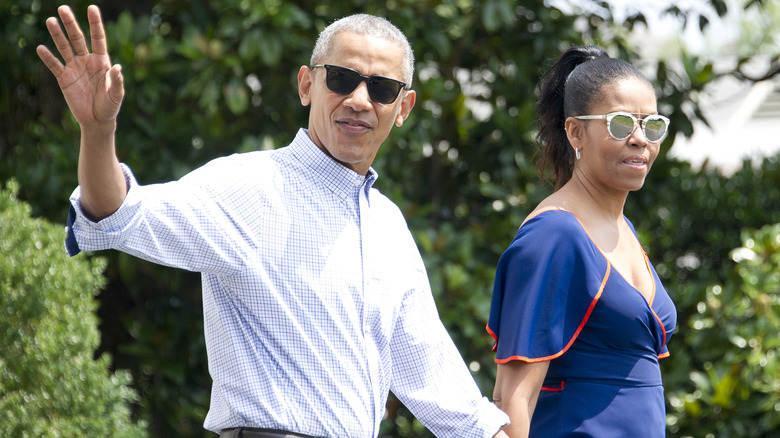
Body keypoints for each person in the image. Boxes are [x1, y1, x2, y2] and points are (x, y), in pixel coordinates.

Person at [37, 5, 510, 438]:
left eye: (382, 88)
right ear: (307, 84)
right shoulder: (248, 186)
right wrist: (98, 133)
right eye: (342, 79)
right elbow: (120, 214)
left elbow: (436, 382)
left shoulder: (387, 225)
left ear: (402, 109)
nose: (360, 100)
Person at [487, 45, 678, 437]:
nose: (640, 139)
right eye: (621, 124)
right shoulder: (555, 234)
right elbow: (511, 399)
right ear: (576, 131)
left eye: (652, 125)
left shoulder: (623, 227)